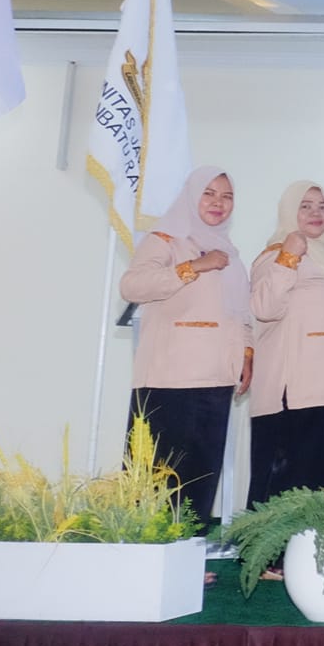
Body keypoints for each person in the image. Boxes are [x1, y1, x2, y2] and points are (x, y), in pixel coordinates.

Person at [119, 166, 252, 529]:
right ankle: (146, 548)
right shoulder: (166, 239)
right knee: (158, 475)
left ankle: (188, 548)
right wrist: (193, 266)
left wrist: (247, 354)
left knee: (200, 476)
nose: (218, 203)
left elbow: (241, 313)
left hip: (217, 377)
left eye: (227, 196)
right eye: (209, 193)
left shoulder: (231, 254)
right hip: (169, 378)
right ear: (192, 196)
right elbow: (132, 286)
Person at [245, 182, 324, 507]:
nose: (316, 213)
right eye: (305, 205)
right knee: (287, 492)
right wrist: (288, 257)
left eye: (322, 206)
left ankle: (317, 543)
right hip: (295, 394)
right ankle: (276, 545)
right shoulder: (275, 255)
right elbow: (265, 307)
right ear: (289, 211)